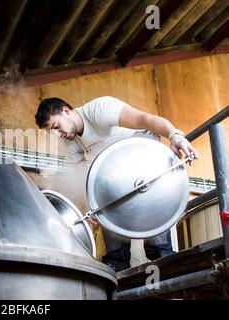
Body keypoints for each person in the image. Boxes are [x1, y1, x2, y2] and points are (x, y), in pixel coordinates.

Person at [34, 96, 199, 272]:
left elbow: (144, 119)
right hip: (113, 175)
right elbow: (84, 180)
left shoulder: (99, 110)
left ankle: (162, 254)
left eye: (56, 127)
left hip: (141, 157)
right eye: (53, 133)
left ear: (66, 111)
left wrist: (174, 135)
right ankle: (117, 263)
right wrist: (89, 207)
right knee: (103, 205)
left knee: (152, 223)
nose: (58, 135)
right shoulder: (70, 144)